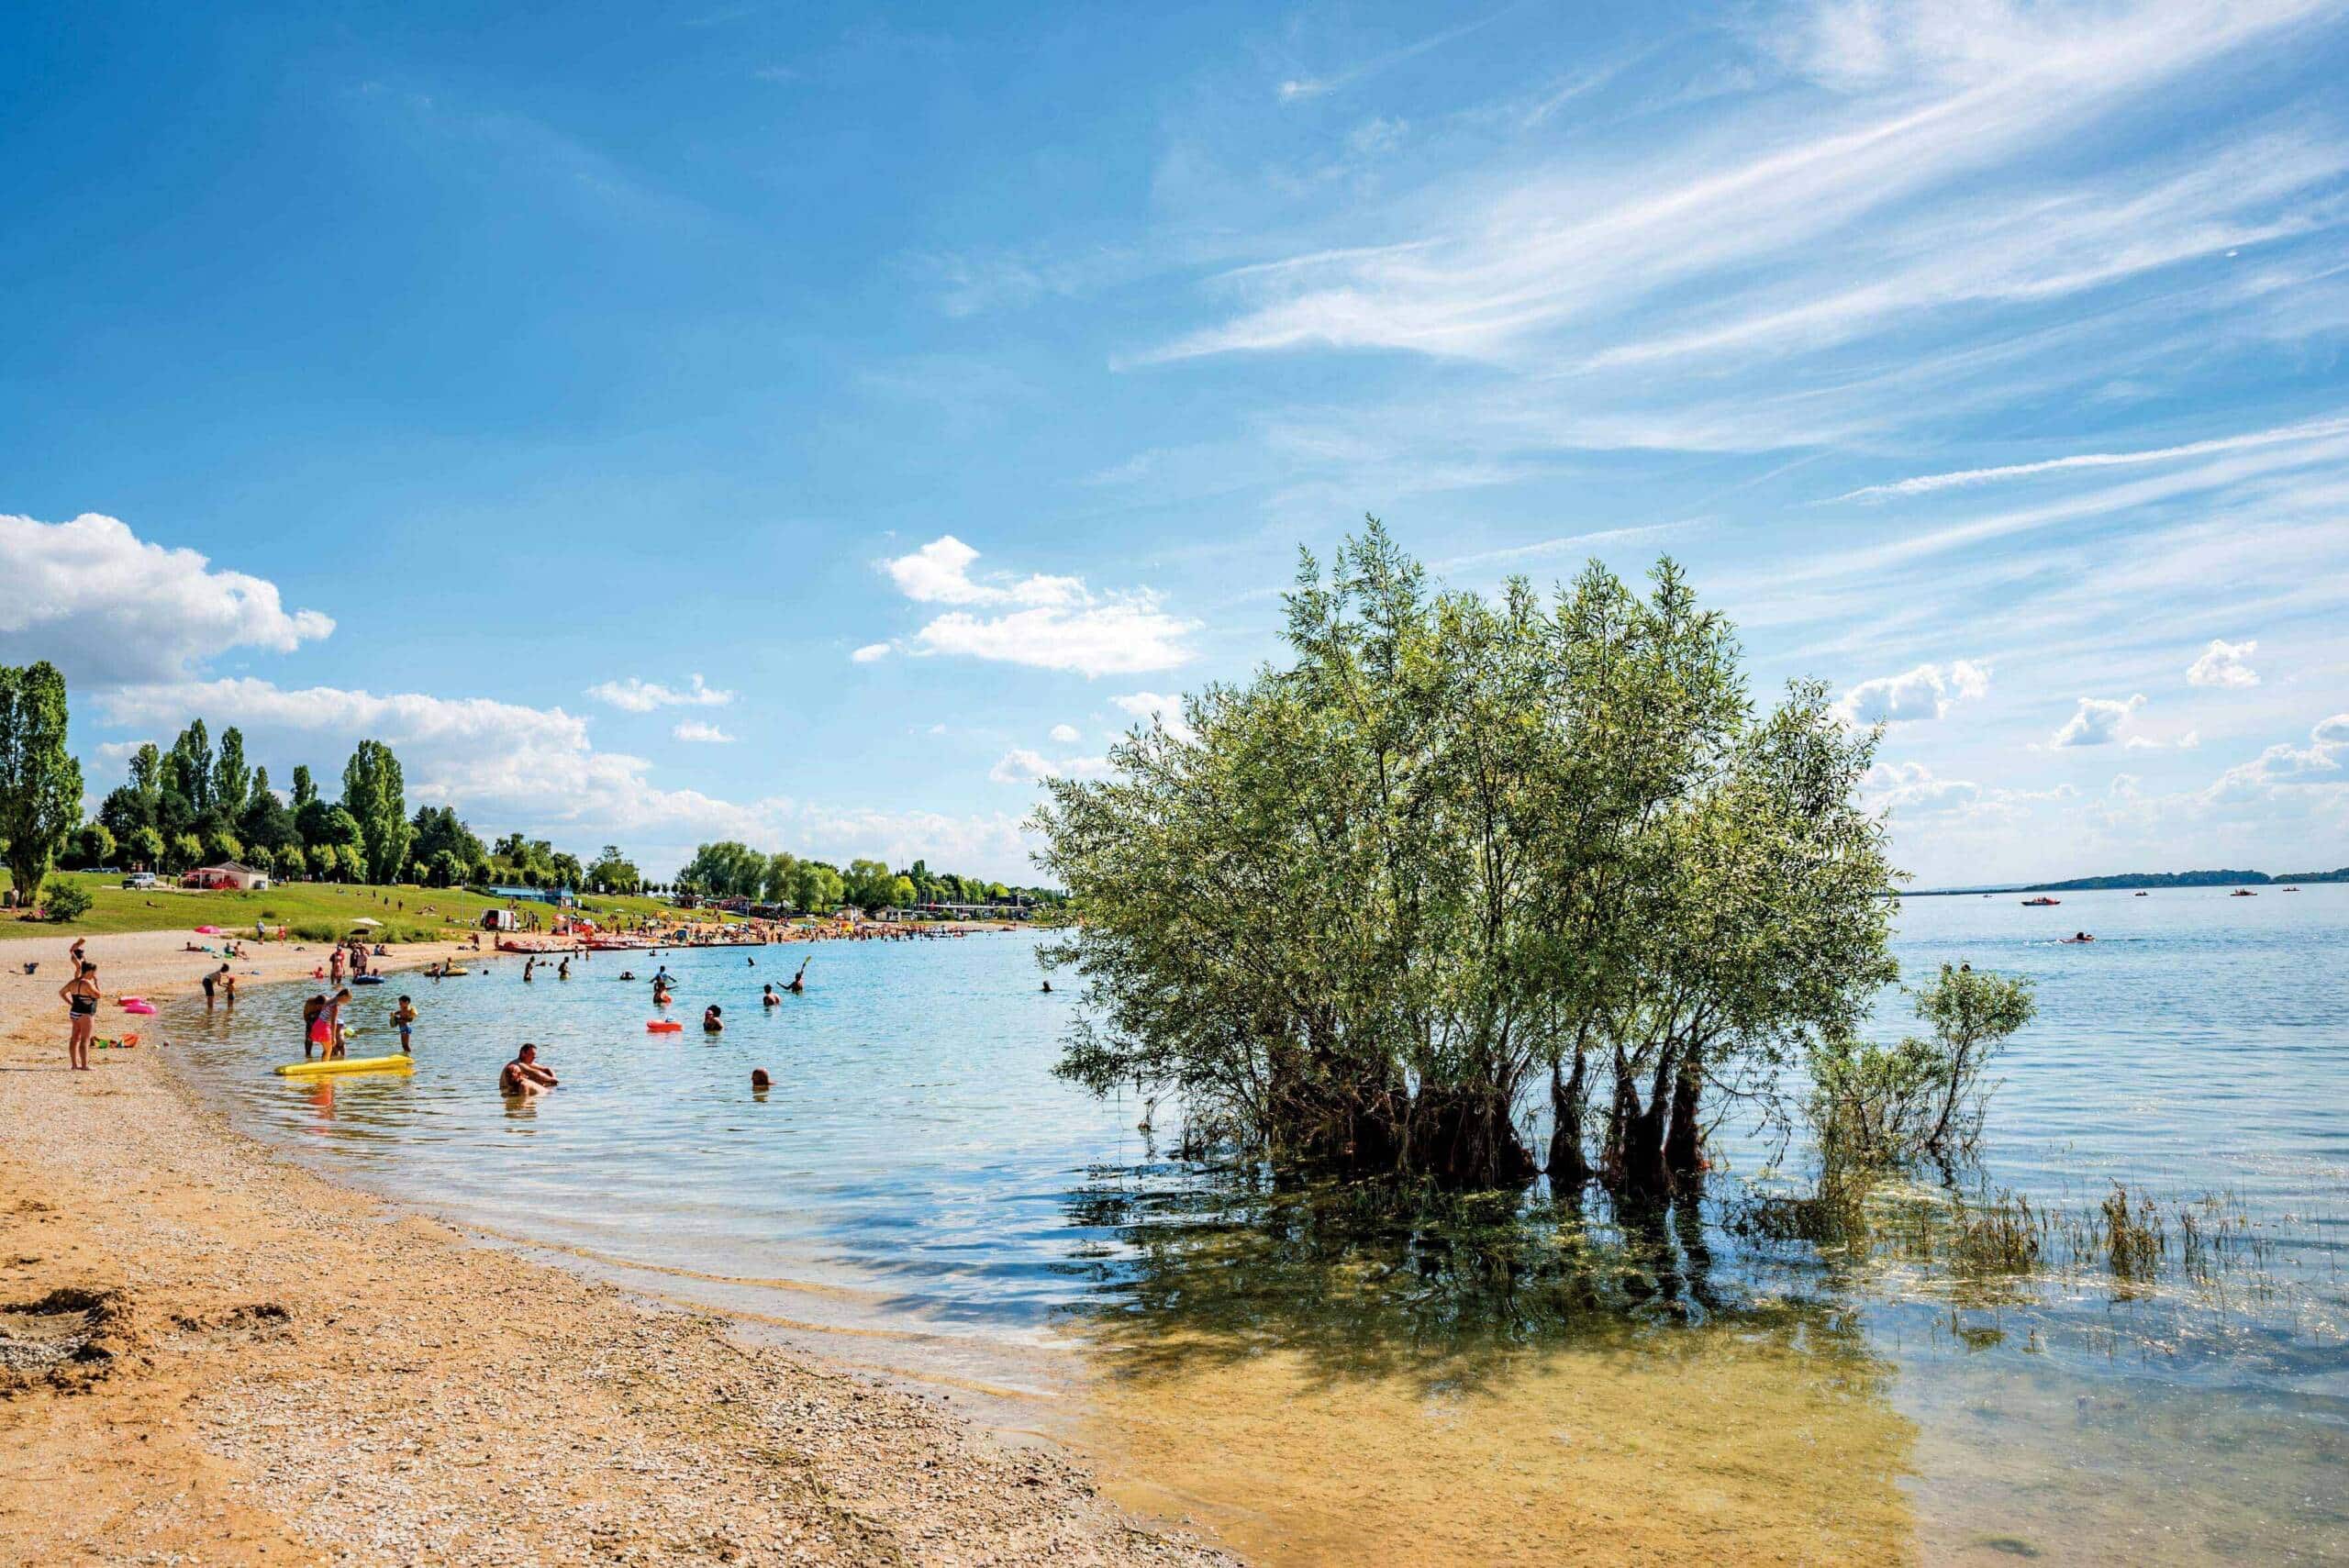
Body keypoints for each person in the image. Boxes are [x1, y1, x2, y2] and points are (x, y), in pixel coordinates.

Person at [60, 962, 100, 1072]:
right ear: (90, 971)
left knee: (74, 1038)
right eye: (94, 972)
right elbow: (98, 995)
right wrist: (96, 983)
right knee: (84, 1040)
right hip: (85, 1013)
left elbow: (61, 992)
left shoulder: (73, 982)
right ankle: (84, 1065)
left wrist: (70, 1003)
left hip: (74, 1012)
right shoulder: (87, 983)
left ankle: (74, 1065)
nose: (94, 975)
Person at [301, 992, 328, 1058]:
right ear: (315, 1004)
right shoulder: (309, 1003)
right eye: (319, 1007)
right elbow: (305, 1017)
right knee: (308, 1038)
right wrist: (311, 1027)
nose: (320, 1008)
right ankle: (308, 1054)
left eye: (322, 1007)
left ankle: (328, 1052)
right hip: (311, 1018)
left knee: (327, 1038)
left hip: (323, 1020)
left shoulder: (328, 1002)